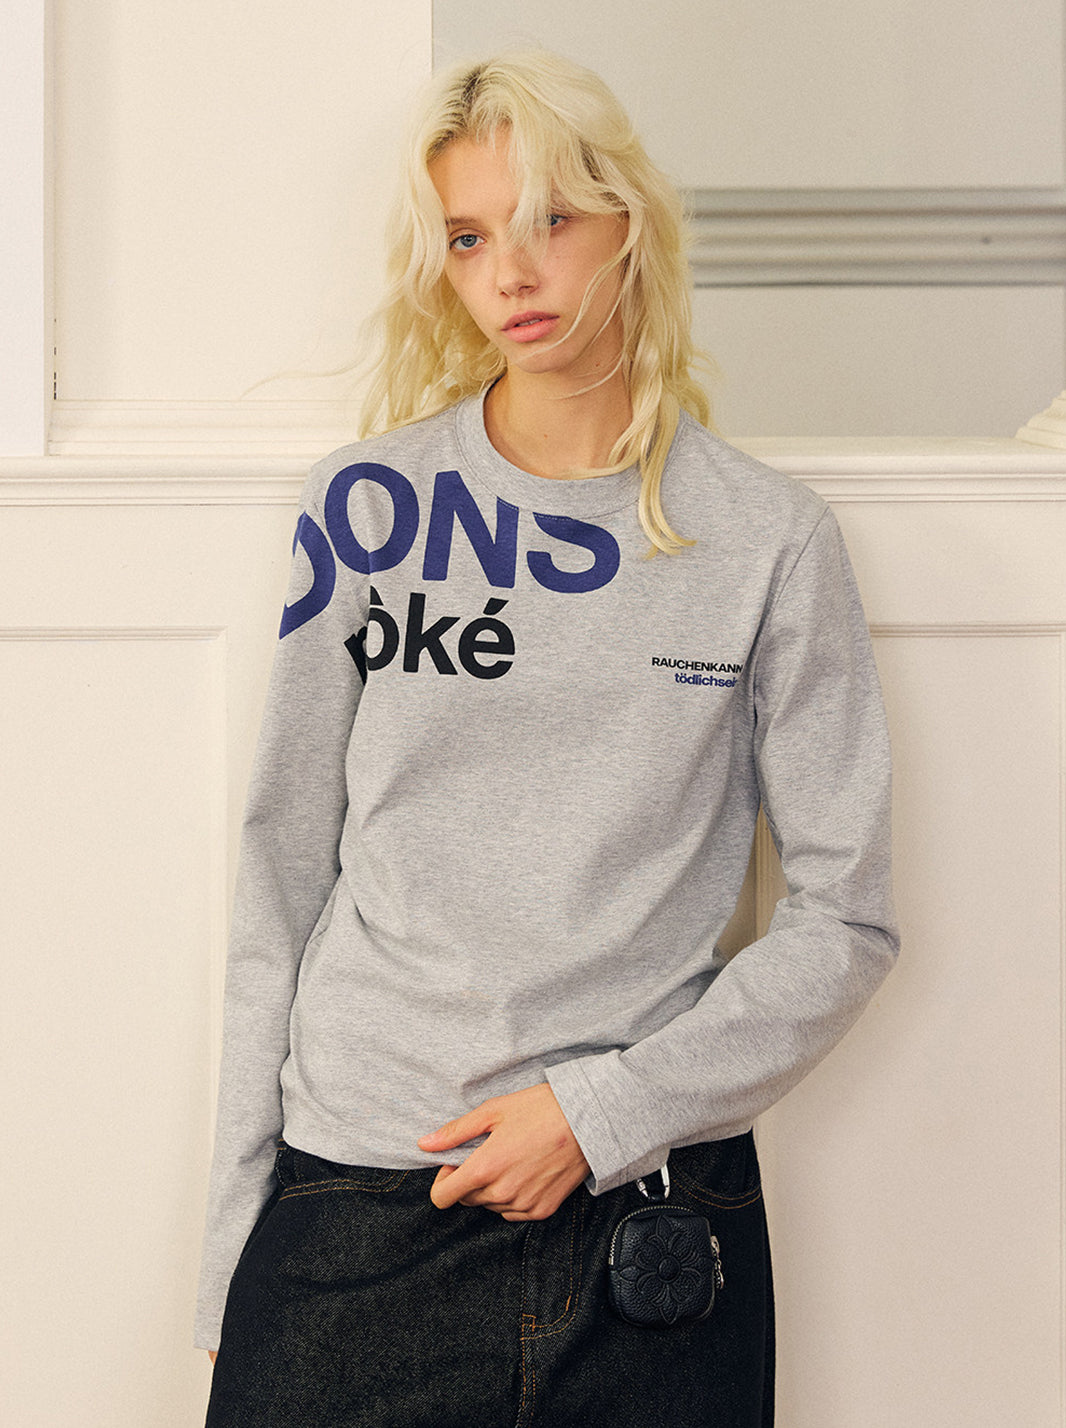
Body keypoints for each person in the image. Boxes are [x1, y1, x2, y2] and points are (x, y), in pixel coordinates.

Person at [197, 49, 898, 1427]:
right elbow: (278, 885)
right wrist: (233, 1254)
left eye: (550, 221)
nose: (511, 272)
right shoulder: (366, 510)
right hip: (359, 1208)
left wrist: (601, 1112)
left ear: (629, 221)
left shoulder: (767, 541)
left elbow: (848, 921)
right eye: (469, 238)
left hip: (647, 1223)